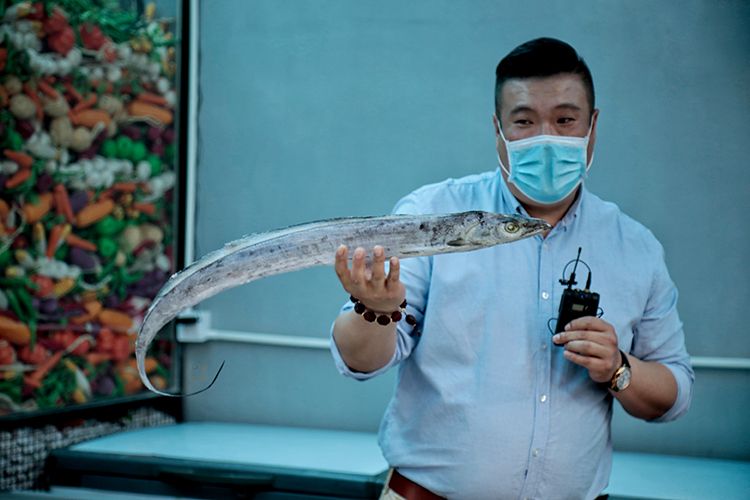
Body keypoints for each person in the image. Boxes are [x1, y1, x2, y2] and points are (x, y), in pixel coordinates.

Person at [330, 37, 694, 500]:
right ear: (498, 129)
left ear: (593, 125)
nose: (546, 138)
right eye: (524, 121)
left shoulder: (635, 247)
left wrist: (619, 368)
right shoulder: (432, 218)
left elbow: (674, 392)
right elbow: (360, 361)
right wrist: (374, 310)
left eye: (565, 120)